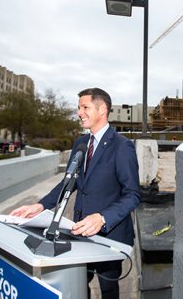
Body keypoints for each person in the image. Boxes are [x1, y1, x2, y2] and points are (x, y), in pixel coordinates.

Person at [10, 87, 141, 299]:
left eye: (85, 107)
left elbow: (133, 195)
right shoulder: (80, 143)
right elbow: (68, 182)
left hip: (110, 235)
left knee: (108, 290)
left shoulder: (122, 146)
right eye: (79, 107)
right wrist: (40, 205)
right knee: (80, 283)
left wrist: (103, 218)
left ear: (102, 110)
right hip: (79, 232)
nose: (79, 112)